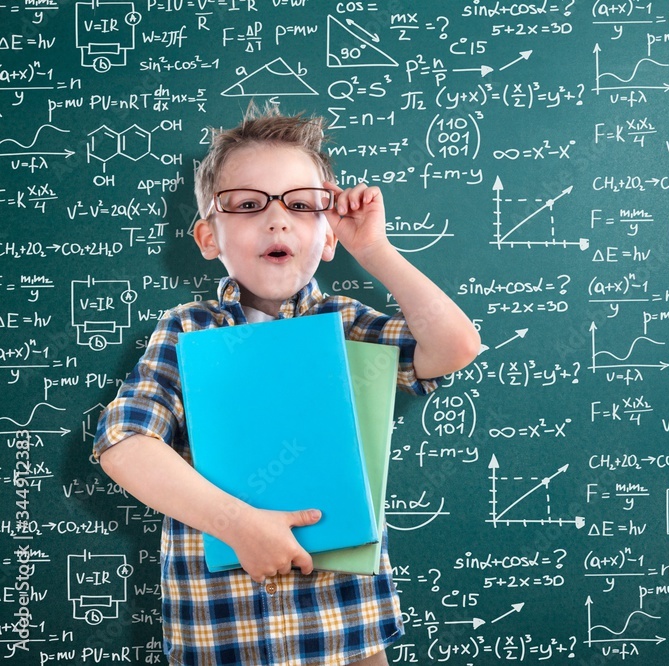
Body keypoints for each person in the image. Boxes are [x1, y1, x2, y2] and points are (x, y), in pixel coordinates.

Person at [94, 103, 481, 665]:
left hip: (345, 628)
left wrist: (373, 250)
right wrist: (241, 526)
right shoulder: (186, 330)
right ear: (207, 236)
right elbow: (124, 444)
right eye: (248, 205)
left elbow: (455, 347)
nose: (277, 220)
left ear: (327, 236)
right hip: (222, 632)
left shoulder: (344, 322)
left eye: (301, 206)